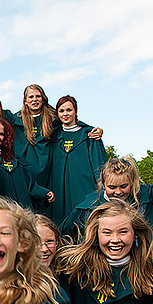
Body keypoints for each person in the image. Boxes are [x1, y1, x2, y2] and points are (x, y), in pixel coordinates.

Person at [46, 95, 108, 223]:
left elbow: (100, 167)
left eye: (69, 110)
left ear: (76, 111)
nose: (65, 114)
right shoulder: (52, 136)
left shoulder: (90, 135)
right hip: (59, 192)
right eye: (61, 111)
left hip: (84, 190)